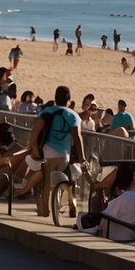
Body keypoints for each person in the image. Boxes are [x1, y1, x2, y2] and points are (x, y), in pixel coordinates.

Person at [28, 85, 84, 218]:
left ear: (55, 98)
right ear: (68, 100)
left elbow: (35, 130)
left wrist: (34, 147)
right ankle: (71, 203)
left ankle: (45, 211)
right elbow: (77, 137)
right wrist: (82, 157)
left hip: (47, 153)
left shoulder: (46, 112)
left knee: (47, 182)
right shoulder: (72, 115)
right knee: (66, 180)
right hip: (64, 155)